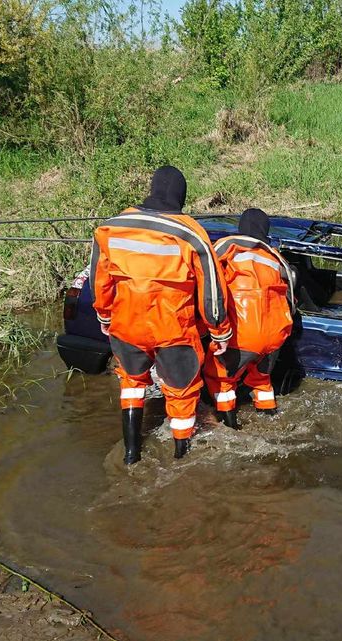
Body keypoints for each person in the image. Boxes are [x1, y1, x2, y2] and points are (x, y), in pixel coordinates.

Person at [90, 166, 231, 463]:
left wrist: (105, 317)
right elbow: (213, 292)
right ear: (181, 196)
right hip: (173, 329)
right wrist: (219, 331)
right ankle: (181, 458)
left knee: (131, 384)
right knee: (181, 394)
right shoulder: (190, 233)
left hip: (126, 325)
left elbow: (99, 281)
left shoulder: (111, 227)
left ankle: (131, 454)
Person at [203, 208, 295, 429]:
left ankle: (230, 428)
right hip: (275, 337)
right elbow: (291, 301)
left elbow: (207, 282)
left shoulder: (227, 246)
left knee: (222, 381)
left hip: (242, 334)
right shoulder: (276, 257)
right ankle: (270, 419)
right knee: (261, 380)